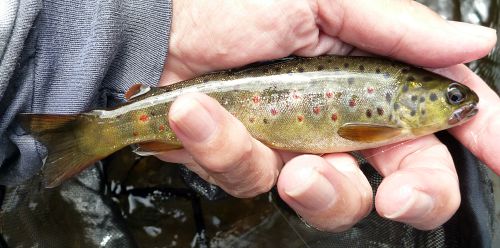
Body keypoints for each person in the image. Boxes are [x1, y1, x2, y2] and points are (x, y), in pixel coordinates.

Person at [0, 0, 498, 234]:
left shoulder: (396, 107)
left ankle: (94, 131)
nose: (462, 105)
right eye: (454, 97)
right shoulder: (384, 125)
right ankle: (91, 133)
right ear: (412, 98)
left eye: (455, 99)